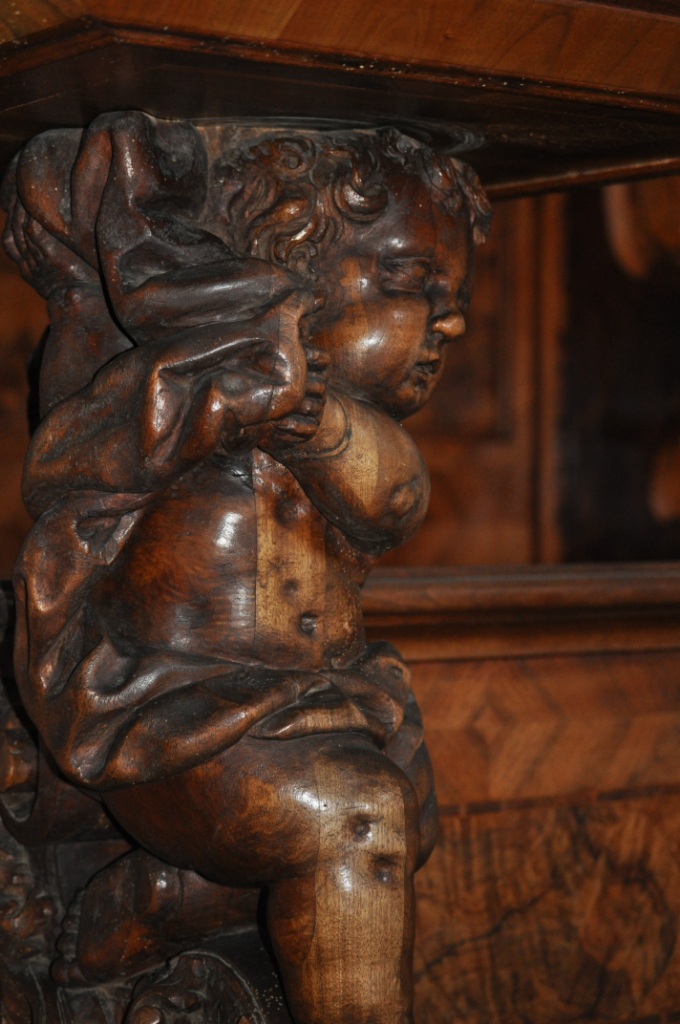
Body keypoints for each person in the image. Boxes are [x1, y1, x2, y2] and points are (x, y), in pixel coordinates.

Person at [3, 114, 490, 1024]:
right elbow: (72, 448)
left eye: (452, 295)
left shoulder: (350, 426)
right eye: (406, 282)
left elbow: (392, 496)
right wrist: (80, 293)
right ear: (289, 273)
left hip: (325, 699)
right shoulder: (174, 378)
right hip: (180, 712)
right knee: (360, 817)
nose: (450, 321)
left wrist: (309, 420)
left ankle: (171, 897)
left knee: (399, 822)